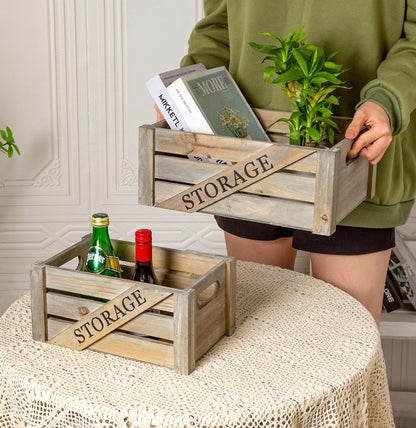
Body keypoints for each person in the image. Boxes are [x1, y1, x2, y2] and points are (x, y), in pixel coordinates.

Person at [163, 0, 416, 325]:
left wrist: (387, 101)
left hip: (356, 151)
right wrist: (181, 93)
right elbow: (219, 27)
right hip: (247, 146)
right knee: (255, 342)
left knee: (345, 348)